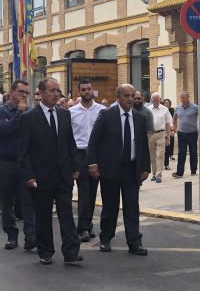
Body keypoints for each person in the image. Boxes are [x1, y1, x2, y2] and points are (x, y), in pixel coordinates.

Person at [18, 78, 82, 266]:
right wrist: (28, 176)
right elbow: (24, 151)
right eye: (52, 90)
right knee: (44, 215)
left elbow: (70, 142)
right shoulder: (29, 118)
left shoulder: (64, 114)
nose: (56, 94)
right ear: (42, 93)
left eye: (58, 91)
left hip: (63, 174)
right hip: (41, 175)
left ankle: (71, 251)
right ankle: (45, 251)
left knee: (66, 214)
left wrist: (75, 167)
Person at [87, 84, 150, 255]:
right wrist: (92, 163)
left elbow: (143, 144)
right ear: (118, 97)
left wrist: (145, 167)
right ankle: (106, 238)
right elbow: (94, 141)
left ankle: (134, 242)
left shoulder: (139, 118)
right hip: (110, 169)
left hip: (131, 169)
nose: (130, 99)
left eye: (132, 95)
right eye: (126, 96)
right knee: (110, 207)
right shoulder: (106, 115)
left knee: (132, 207)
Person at [0, 80, 36, 250]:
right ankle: (11, 235)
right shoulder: (0, 112)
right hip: (5, 162)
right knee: (6, 200)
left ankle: (30, 236)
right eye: (21, 92)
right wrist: (18, 114)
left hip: (25, 163)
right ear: (11, 92)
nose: (24, 95)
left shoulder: (31, 112)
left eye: (26, 92)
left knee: (28, 201)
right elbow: (3, 131)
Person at [69, 79, 106, 242]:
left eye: (89, 89)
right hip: (80, 153)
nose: (86, 92)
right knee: (83, 192)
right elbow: (68, 138)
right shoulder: (71, 112)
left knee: (92, 192)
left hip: (97, 154)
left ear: (93, 90)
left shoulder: (102, 110)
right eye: (83, 90)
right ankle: (83, 228)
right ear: (79, 92)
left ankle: (87, 224)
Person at [172, 91, 200, 179]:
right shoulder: (178, 108)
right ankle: (179, 172)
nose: (182, 99)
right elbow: (174, 118)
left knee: (193, 152)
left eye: (183, 98)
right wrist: (175, 128)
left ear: (188, 97)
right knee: (181, 153)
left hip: (192, 133)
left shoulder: (195, 107)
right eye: (181, 98)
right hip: (182, 134)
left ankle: (193, 170)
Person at [145, 92, 172, 183]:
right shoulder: (148, 109)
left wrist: (168, 136)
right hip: (151, 134)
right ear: (151, 100)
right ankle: (154, 173)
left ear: (159, 100)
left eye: (157, 100)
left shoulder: (164, 109)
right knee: (152, 155)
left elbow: (168, 123)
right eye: (153, 100)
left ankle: (159, 175)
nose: (155, 101)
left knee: (160, 154)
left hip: (161, 133)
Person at [162, 98, 175, 170]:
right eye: (165, 103)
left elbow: (171, 121)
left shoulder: (169, 111)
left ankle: (166, 164)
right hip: (159, 132)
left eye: (167, 103)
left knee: (167, 147)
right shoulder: (160, 109)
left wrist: (172, 130)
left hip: (167, 131)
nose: (166, 104)